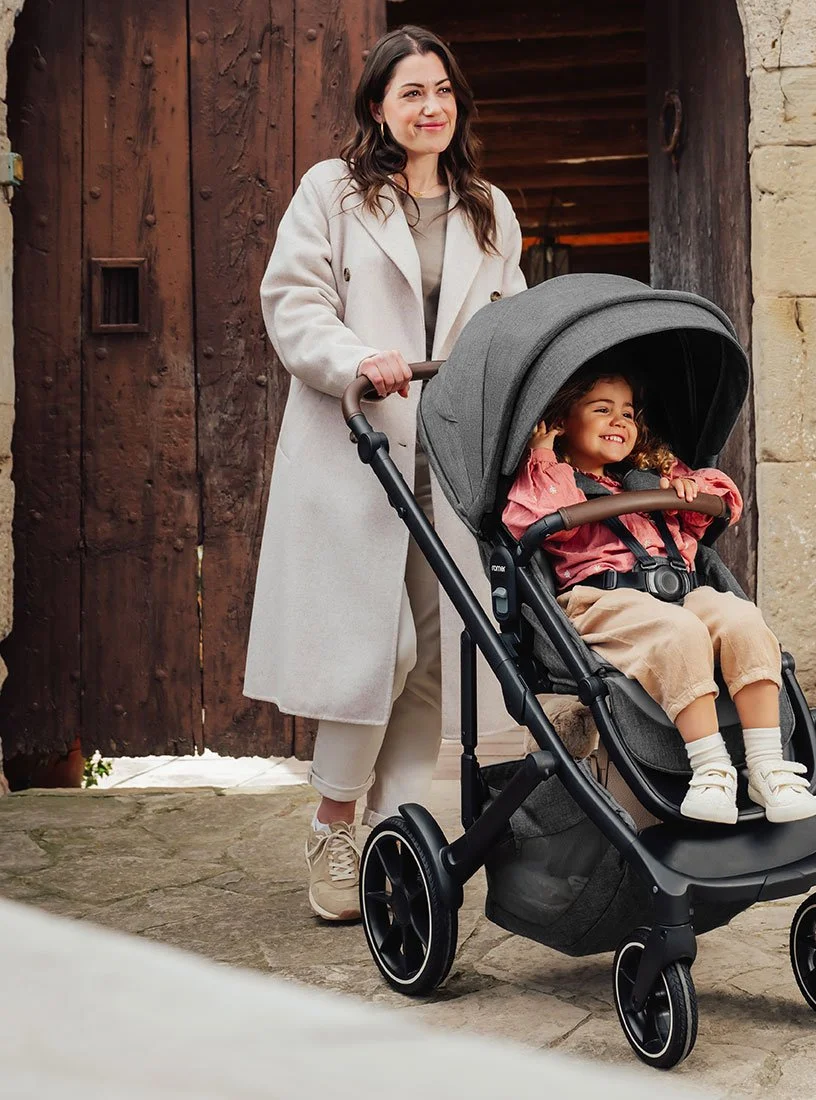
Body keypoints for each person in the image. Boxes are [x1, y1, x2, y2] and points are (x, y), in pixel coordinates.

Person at [245, 25, 526, 920]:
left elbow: (509, 329)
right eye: (411, 92)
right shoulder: (333, 193)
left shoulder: (489, 208)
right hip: (358, 455)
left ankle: (400, 837)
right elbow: (292, 302)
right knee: (380, 647)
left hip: (450, 462)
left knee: (439, 655)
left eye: (442, 90)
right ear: (378, 106)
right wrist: (357, 358)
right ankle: (335, 829)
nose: (430, 106)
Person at [503, 367, 816, 826]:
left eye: (628, 413)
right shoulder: (556, 479)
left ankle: (767, 764)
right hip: (603, 601)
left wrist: (685, 492)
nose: (620, 421)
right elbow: (528, 519)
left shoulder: (648, 480)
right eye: (602, 409)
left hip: (680, 591)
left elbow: (722, 505)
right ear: (562, 421)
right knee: (679, 630)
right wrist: (542, 451)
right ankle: (711, 769)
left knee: (741, 618)